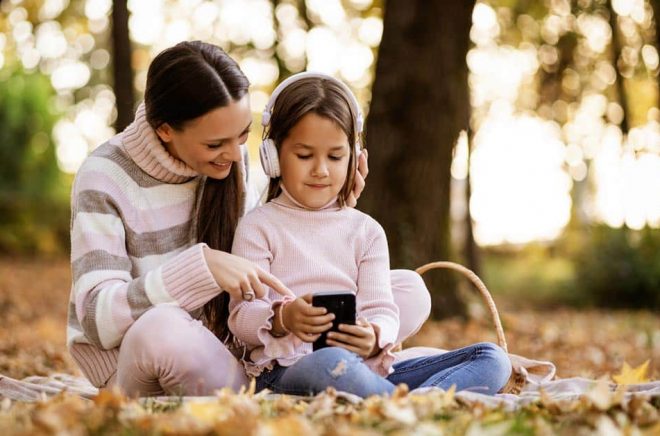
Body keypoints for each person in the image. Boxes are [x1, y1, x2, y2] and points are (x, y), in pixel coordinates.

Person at [67, 41, 431, 397]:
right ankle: (362, 384)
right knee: (159, 328)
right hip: (146, 356)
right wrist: (200, 267)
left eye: (242, 135)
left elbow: (269, 249)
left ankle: (318, 378)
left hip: (235, 353)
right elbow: (99, 320)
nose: (234, 153)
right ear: (165, 130)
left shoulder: (229, 162)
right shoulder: (105, 177)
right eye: (215, 144)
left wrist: (331, 212)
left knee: (407, 289)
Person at [229, 72, 512, 398]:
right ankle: (409, 402)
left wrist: (375, 335)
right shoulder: (258, 227)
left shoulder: (366, 231)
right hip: (286, 371)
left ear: (355, 158)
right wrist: (283, 318)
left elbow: (382, 308)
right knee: (331, 362)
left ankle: (407, 402)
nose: (321, 170)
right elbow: (240, 319)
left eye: (335, 157)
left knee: (492, 358)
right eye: (305, 155)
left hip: (359, 368)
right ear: (274, 156)